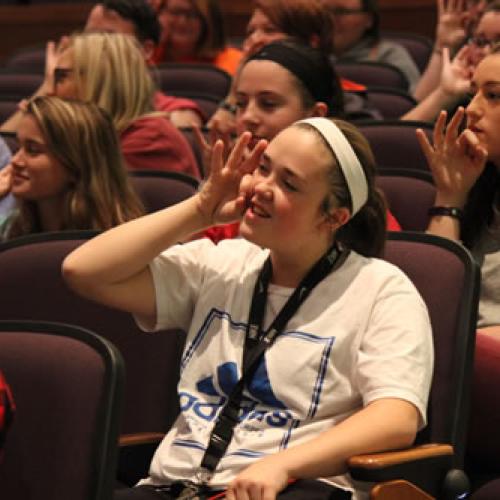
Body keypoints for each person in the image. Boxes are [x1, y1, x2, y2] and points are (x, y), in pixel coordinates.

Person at [63, 117, 433, 500]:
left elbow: (396, 418)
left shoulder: (382, 289)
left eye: (288, 184)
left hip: (288, 488)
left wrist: (284, 464)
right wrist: (201, 209)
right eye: (263, 168)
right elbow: (85, 272)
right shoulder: (224, 265)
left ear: (334, 217)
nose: (261, 188)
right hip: (175, 486)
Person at [201, 40, 399, 242]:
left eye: (268, 104)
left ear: (315, 115)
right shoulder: (237, 195)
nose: (247, 117)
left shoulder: (353, 209)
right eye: (241, 104)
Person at [416, 44, 500, 332]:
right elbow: (430, 300)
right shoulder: (481, 188)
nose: (472, 109)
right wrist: (450, 195)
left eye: (493, 95)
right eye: (472, 93)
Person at [209, 0, 379, 139]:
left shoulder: (355, 109)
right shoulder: (242, 93)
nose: (254, 40)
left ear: (311, 42)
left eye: (269, 30)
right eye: (251, 31)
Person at [0, 96, 144, 241]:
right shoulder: (11, 227)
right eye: (19, 147)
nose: (15, 161)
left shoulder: (125, 242)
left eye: (33, 150)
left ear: (76, 165)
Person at [84, 0, 204, 127]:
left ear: (145, 50)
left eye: (108, 37)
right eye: (89, 36)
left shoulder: (176, 114)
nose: (93, 46)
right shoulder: (68, 98)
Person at [404, 0, 500, 122]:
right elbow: (399, 135)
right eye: (480, 41)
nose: (486, 51)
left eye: (498, 44)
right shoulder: (463, 90)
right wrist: (445, 93)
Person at [324, 0, 421, 93]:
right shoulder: (312, 56)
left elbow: (416, 101)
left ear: (368, 19)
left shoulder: (390, 55)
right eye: (324, 12)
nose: (330, 20)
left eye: (341, 12)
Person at [152, 0, 242, 75]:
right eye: (175, 12)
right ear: (160, 15)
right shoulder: (146, 56)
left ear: (208, 21)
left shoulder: (235, 63)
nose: (181, 22)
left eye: (191, 15)